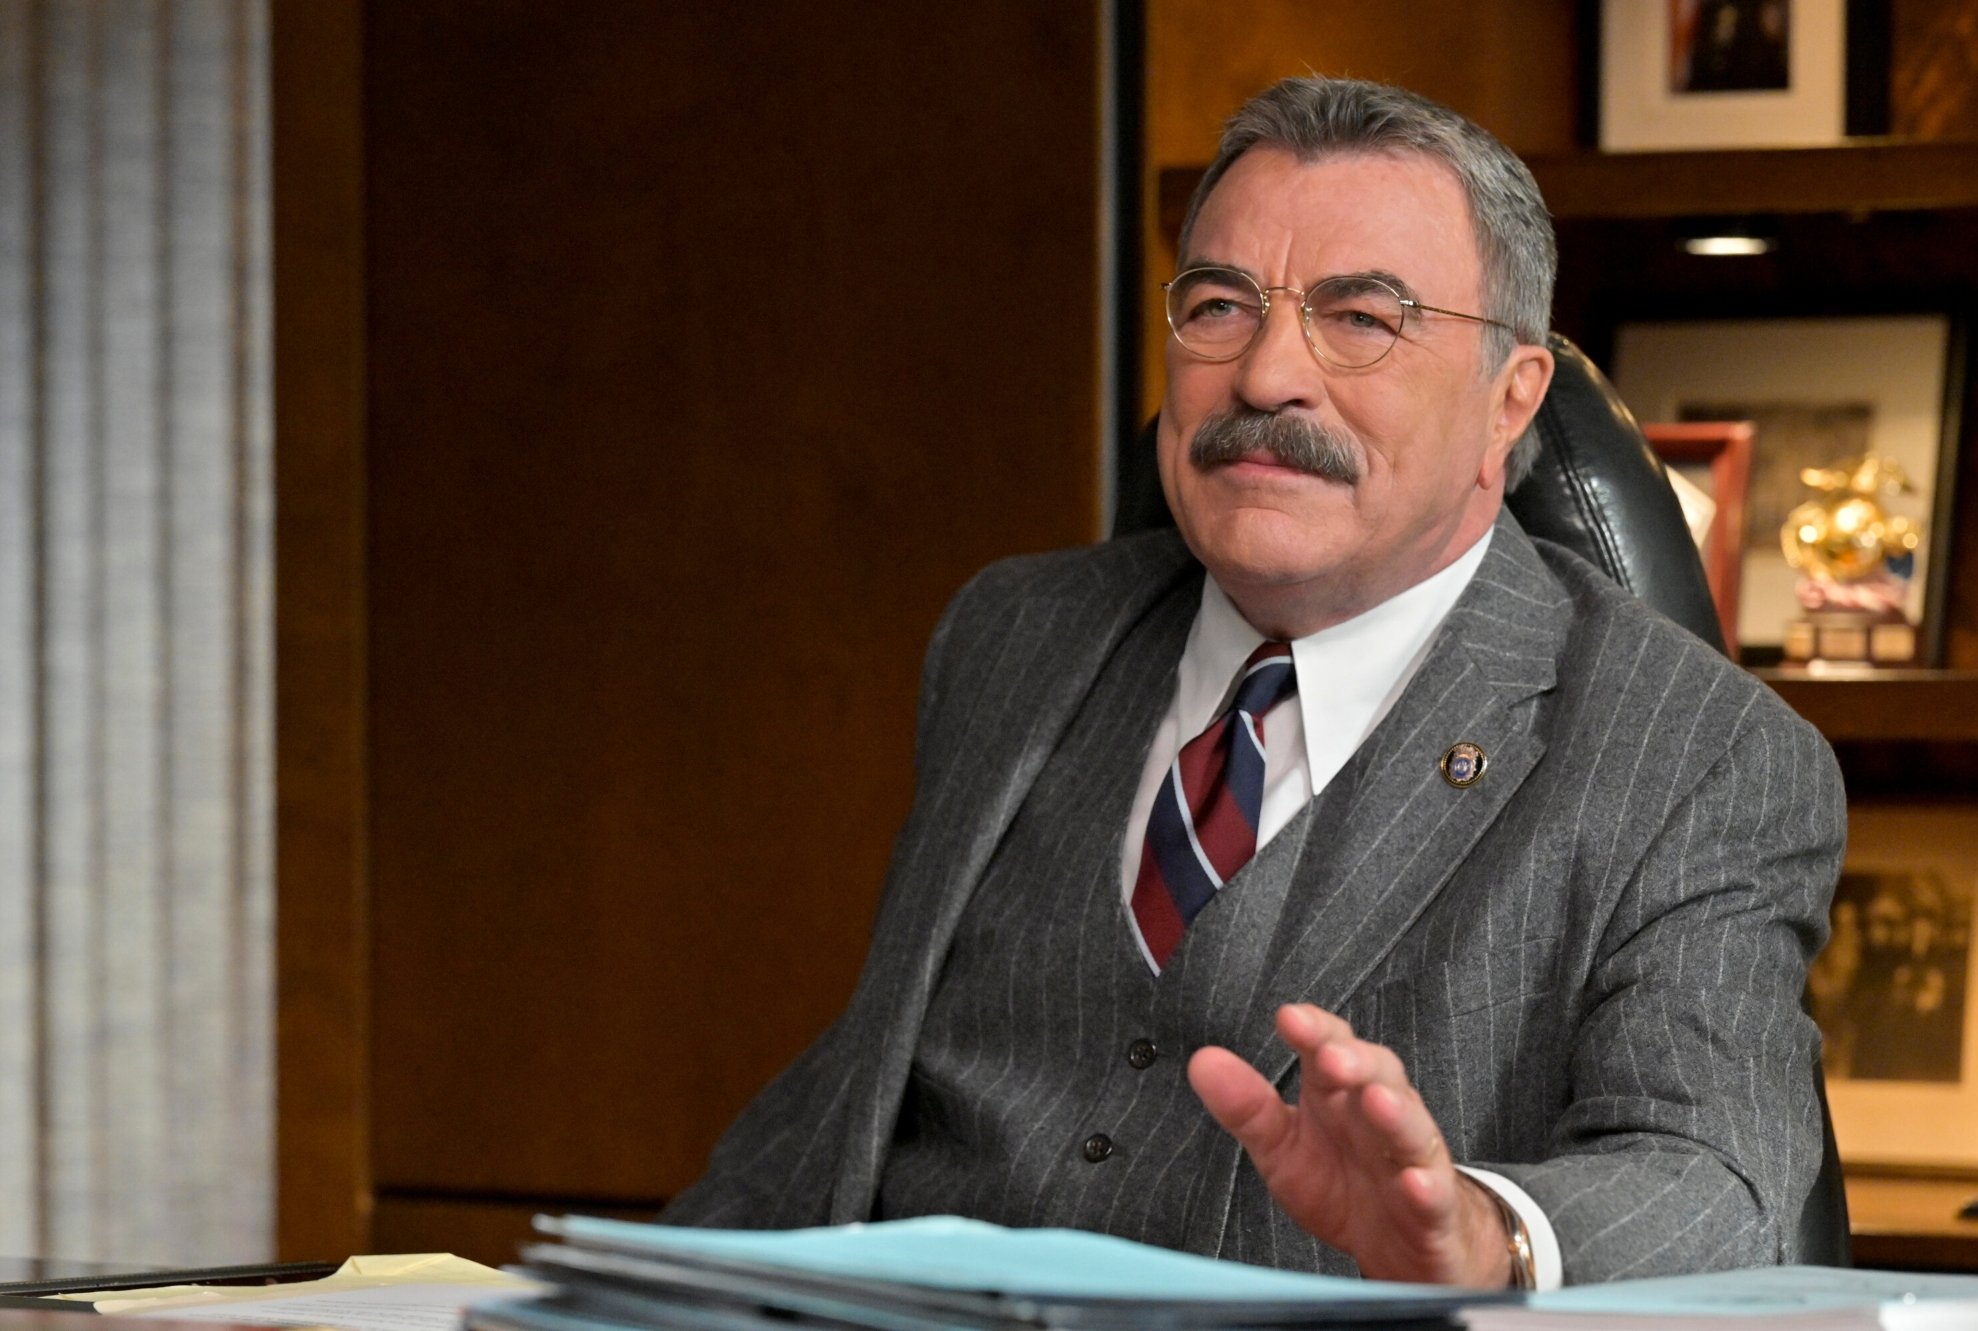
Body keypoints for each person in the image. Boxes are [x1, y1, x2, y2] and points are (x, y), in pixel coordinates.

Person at [662, 76, 1844, 1289]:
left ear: (1510, 399)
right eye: (1220, 305)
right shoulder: (1010, 634)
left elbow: (1716, 1177)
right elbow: (855, 1099)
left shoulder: (1701, 751)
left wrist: (1482, 1237)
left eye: (1361, 318)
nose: (1268, 374)